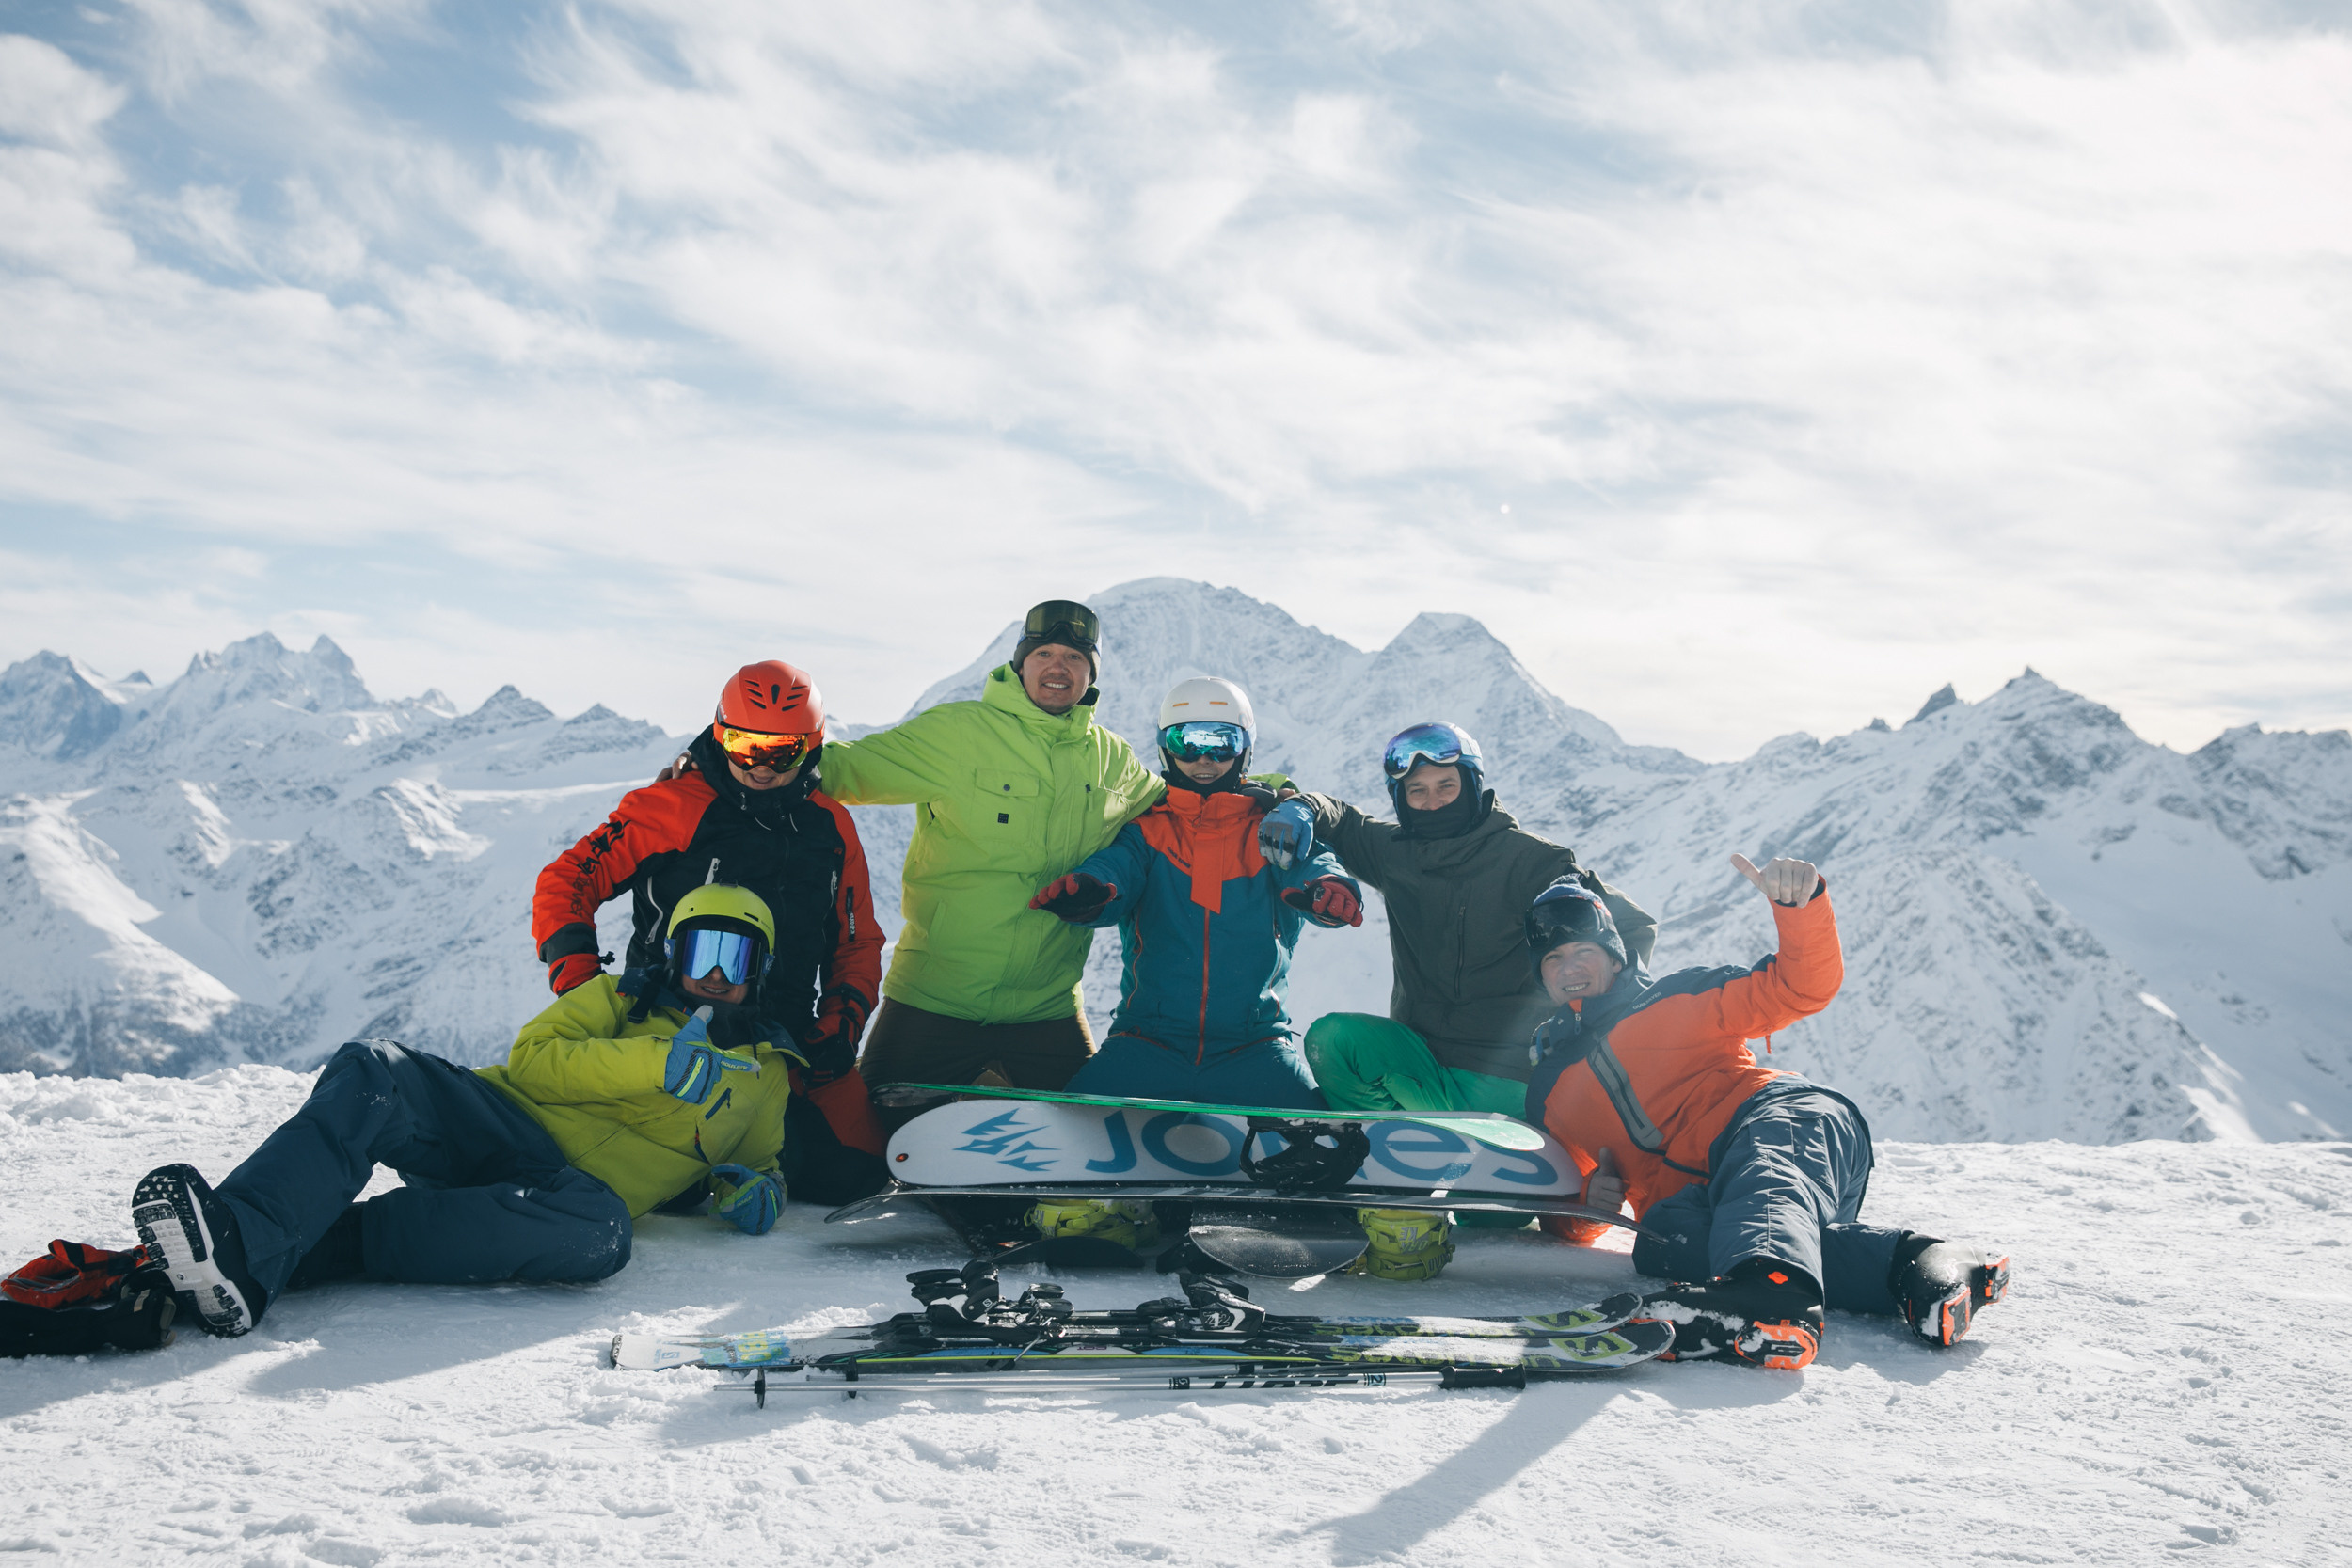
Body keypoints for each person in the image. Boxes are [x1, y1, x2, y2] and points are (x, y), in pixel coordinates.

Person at [131, 886, 813, 1338]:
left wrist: (760, 1193)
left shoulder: (766, 1071)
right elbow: (534, 1058)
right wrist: (654, 1061)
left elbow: (754, 1164)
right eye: (703, 950)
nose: (716, 974)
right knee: (372, 1068)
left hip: (566, 1199)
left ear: (762, 966)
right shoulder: (618, 998)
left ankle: (292, 1254)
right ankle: (243, 1236)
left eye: (736, 955)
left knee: (603, 1235)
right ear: (673, 953)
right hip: (495, 1118)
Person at [1523, 859, 2010, 1369]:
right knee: (1664, 1246)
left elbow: (1799, 987)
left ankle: (1770, 1298)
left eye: (1584, 951)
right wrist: (1590, 1202)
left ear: (1615, 958)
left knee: (1762, 1164)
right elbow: (1562, 1208)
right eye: (1554, 958)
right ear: (1542, 976)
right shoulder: (1550, 1090)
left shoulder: (1679, 998)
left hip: (1782, 1122)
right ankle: (1921, 1268)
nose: (1571, 967)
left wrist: (1800, 911)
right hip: (1700, 1204)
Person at [1270, 721, 1656, 1280]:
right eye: (1416, 792)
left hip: (1513, 1080)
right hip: (1424, 1066)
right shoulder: (1395, 850)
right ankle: (1395, 1174)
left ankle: (1504, 1190)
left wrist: (1589, 1012)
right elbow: (1342, 819)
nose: (1431, 804)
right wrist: (1301, 808)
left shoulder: (1534, 862)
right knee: (1334, 1039)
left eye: (1446, 787)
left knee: (1493, 1219)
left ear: (1473, 785)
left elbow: (1632, 929)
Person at [532, 659, 885, 1201]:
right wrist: (580, 983)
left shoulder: (830, 825)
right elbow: (570, 879)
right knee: (648, 1164)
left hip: (782, 1042)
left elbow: (856, 939)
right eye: (747, 746)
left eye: (782, 751)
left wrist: (841, 1027)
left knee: (857, 1174)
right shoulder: (670, 807)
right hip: (665, 1027)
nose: (762, 767)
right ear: (720, 734)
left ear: (812, 746)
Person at [816, 600, 1164, 1110]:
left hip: (1047, 1012)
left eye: (1074, 657)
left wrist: (1277, 795)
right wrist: (723, 757)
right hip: (933, 1003)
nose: (1057, 667)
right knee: (863, 1151)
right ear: (1020, 663)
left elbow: (1188, 807)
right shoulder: (959, 732)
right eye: (1044, 652)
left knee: (1089, 1154)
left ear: (1091, 673)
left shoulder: (1111, 758)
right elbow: (842, 772)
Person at [1032, 676, 1362, 1109]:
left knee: (1328, 1149)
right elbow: (1117, 871)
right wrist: (1090, 890)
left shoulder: (1272, 829)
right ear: (1165, 747)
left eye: (1222, 742)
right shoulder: (1147, 829)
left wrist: (1330, 889)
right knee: (1064, 1130)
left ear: (1245, 748)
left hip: (1254, 1049)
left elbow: (1312, 863)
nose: (1204, 758)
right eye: (1186, 742)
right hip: (1146, 1046)